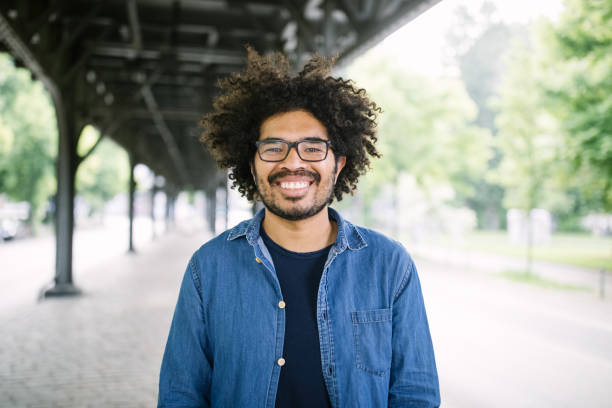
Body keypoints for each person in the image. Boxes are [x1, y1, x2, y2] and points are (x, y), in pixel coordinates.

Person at [158, 48, 440, 408]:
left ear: (338, 165)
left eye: (312, 147)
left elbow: (416, 396)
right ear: (252, 164)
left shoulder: (389, 265)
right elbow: (181, 396)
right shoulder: (208, 267)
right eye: (273, 147)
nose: (293, 162)